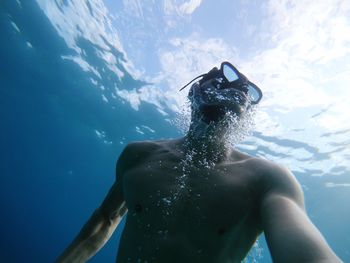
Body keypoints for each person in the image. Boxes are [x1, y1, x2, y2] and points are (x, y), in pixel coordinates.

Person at [57, 62, 342, 263]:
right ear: (193, 95)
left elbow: (313, 257)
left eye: (231, 106)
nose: (220, 108)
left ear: (243, 118)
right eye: (213, 96)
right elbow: (103, 221)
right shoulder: (137, 156)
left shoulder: (266, 180)